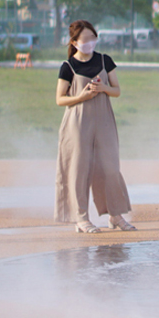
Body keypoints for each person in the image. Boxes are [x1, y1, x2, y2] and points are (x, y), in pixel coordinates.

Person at [54, 19, 135, 233]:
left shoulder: (104, 60)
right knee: (79, 170)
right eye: (85, 39)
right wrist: (81, 96)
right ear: (74, 41)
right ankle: (81, 218)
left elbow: (116, 90)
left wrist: (103, 88)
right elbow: (59, 99)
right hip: (78, 122)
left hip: (104, 119)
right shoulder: (68, 66)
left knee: (110, 168)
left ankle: (115, 215)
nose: (90, 42)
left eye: (93, 38)